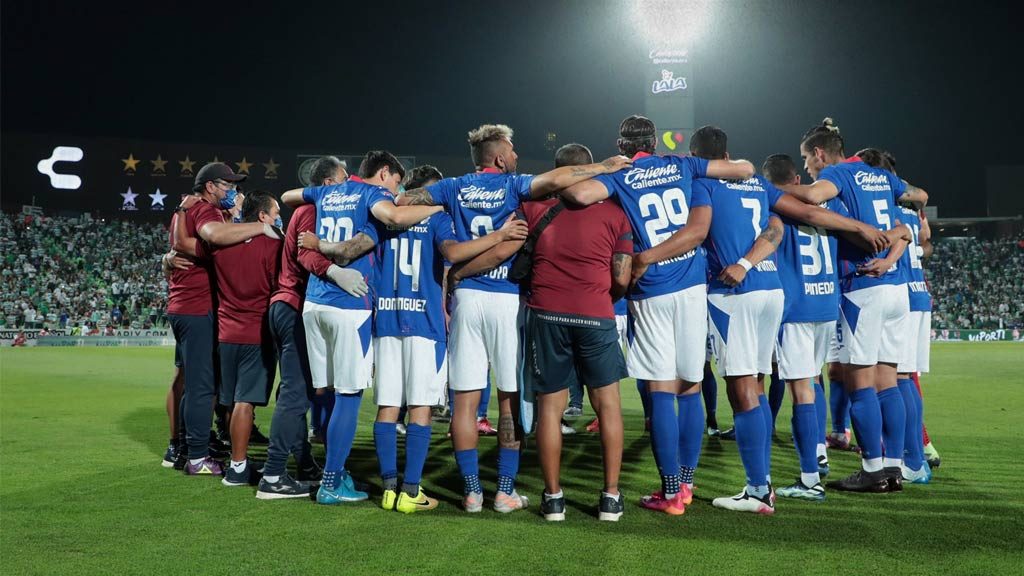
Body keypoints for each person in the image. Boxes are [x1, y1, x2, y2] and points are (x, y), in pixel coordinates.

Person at [398, 124, 629, 513]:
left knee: (465, 401)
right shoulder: (514, 187)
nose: (517, 155)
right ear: (501, 157)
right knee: (509, 402)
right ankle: (505, 492)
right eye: (513, 150)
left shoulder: (451, 186)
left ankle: (471, 493)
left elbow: (404, 201)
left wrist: (454, 269)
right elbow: (558, 178)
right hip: (506, 299)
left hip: (467, 300)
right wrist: (603, 166)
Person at [557, 115, 756, 516]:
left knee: (662, 390)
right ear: (655, 140)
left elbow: (577, 196)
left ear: (622, 145)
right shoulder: (682, 164)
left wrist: (606, 168)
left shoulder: (621, 176)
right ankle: (686, 481)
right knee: (690, 389)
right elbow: (745, 169)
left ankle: (670, 493)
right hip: (693, 287)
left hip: (650, 291)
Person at [280, 150, 443, 505]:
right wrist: (437, 206)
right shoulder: (373, 195)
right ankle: (332, 481)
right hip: (348, 305)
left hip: (314, 302)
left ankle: (326, 467)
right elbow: (396, 215)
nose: (396, 189)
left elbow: (289, 196)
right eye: (396, 182)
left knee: (324, 392)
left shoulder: (329, 192)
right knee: (349, 396)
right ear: (384, 174)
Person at [777, 118, 927, 492]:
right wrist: (890, 258)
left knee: (861, 383)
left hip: (861, 287)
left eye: (808, 162)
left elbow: (811, 198)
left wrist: (764, 186)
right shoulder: (879, 176)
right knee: (888, 381)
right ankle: (894, 468)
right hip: (894, 288)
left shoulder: (839, 175)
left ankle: (872, 469)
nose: (809, 171)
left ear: (819, 153)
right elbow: (911, 213)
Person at [516, 143, 633, 521]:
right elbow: (622, 278)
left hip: (547, 314)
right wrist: (600, 295)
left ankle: (553, 499)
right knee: (609, 406)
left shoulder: (534, 209)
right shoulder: (618, 212)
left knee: (550, 409)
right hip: (596, 314)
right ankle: (611, 499)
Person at [688, 126, 786, 514]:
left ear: (701, 157)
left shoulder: (704, 184)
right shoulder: (755, 182)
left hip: (733, 294)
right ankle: (763, 484)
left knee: (741, 387)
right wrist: (750, 261)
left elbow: (696, 233)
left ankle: (758, 490)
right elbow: (776, 227)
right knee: (757, 385)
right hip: (770, 286)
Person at [168, 162, 277, 476]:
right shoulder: (205, 210)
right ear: (210, 186)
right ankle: (198, 458)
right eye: (227, 185)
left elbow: (182, 244)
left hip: (185, 306)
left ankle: (185, 448)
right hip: (198, 307)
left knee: (191, 382)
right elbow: (212, 237)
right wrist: (261, 228)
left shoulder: (186, 210)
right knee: (203, 387)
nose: (233, 190)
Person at [257, 156, 354, 500]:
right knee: (297, 394)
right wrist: (334, 271)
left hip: (286, 305)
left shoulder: (305, 207)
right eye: (344, 179)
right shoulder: (314, 210)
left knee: (296, 393)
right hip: (294, 306)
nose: (349, 186)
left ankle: (303, 462)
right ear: (328, 184)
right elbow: (305, 255)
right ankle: (272, 475)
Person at [857, 148, 933, 484]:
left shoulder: (885, 207)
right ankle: (915, 456)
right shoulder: (910, 210)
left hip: (898, 290)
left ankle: (912, 459)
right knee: (905, 379)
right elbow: (926, 241)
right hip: (916, 293)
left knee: (895, 380)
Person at [205, 191, 283, 486]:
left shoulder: (221, 244)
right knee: (244, 402)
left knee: (230, 401)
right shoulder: (272, 244)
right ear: (262, 216)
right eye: (275, 213)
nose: (277, 218)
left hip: (226, 333)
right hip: (256, 333)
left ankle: (238, 458)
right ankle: (238, 468)